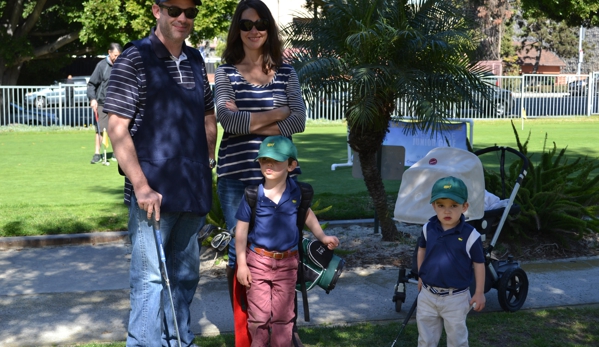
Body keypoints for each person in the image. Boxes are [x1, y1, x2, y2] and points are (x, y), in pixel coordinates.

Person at [103, 1, 216, 346]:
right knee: (150, 280)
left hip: (192, 189)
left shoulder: (196, 60)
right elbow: (116, 127)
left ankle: (179, 340)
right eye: (175, 9)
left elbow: (208, 115)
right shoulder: (134, 58)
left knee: (184, 277)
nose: (183, 17)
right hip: (152, 195)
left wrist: (207, 159)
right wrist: (140, 185)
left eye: (191, 11)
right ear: (157, 11)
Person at [214, 0, 306, 312]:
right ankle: (248, 330)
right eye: (246, 24)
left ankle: (280, 326)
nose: (254, 30)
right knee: (238, 251)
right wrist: (278, 113)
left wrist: (251, 120)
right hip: (236, 177)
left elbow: (298, 121)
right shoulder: (225, 73)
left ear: (269, 27)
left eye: (260, 23)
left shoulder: (286, 72)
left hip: (280, 180)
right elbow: (228, 121)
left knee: (280, 249)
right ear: (236, 30)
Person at [235, 135, 339, 347]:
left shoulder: (298, 192)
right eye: (264, 160)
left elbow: (307, 215)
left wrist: (323, 237)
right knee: (259, 317)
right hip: (258, 262)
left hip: (288, 264)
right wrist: (242, 264)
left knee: (283, 318)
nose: (269, 165)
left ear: (292, 165)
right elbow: (241, 233)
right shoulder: (252, 194)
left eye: (276, 160)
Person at [416, 176, 486, 347]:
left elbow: (479, 263)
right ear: (433, 206)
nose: (447, 211)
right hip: (427, 295)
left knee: (457, 340)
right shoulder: (428, 228)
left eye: (453, 206)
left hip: (456, 298)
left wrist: (479, 292)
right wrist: (420, 275)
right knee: (426, 339)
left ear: (464, 206)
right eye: (441, 205)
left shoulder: (471, 235)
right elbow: (422, 250)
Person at [87, 42, 122, 164]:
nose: (117, 58)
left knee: (117, 129)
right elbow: (91, 84)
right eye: (115, 55)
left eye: (119, 55)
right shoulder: (101, 66)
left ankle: (117, 154)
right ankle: (97, 153)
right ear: (109, 53)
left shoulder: (121, 66)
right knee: (101, 129)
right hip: (102, 102)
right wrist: (92, 99)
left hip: (117, 103)